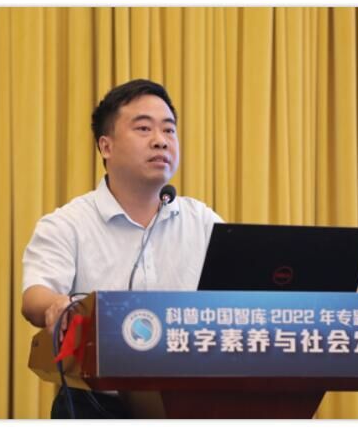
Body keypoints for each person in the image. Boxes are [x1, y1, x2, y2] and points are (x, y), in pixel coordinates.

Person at [21, 79, 223, 418]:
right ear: (106, 146)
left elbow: (240, 290)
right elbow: (34, 297)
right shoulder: (67, 223)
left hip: (190, 404)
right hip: (97, 406)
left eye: (169, 130)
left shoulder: (201, 220)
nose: (161, 140)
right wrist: (57, 305)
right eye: (144, 128)